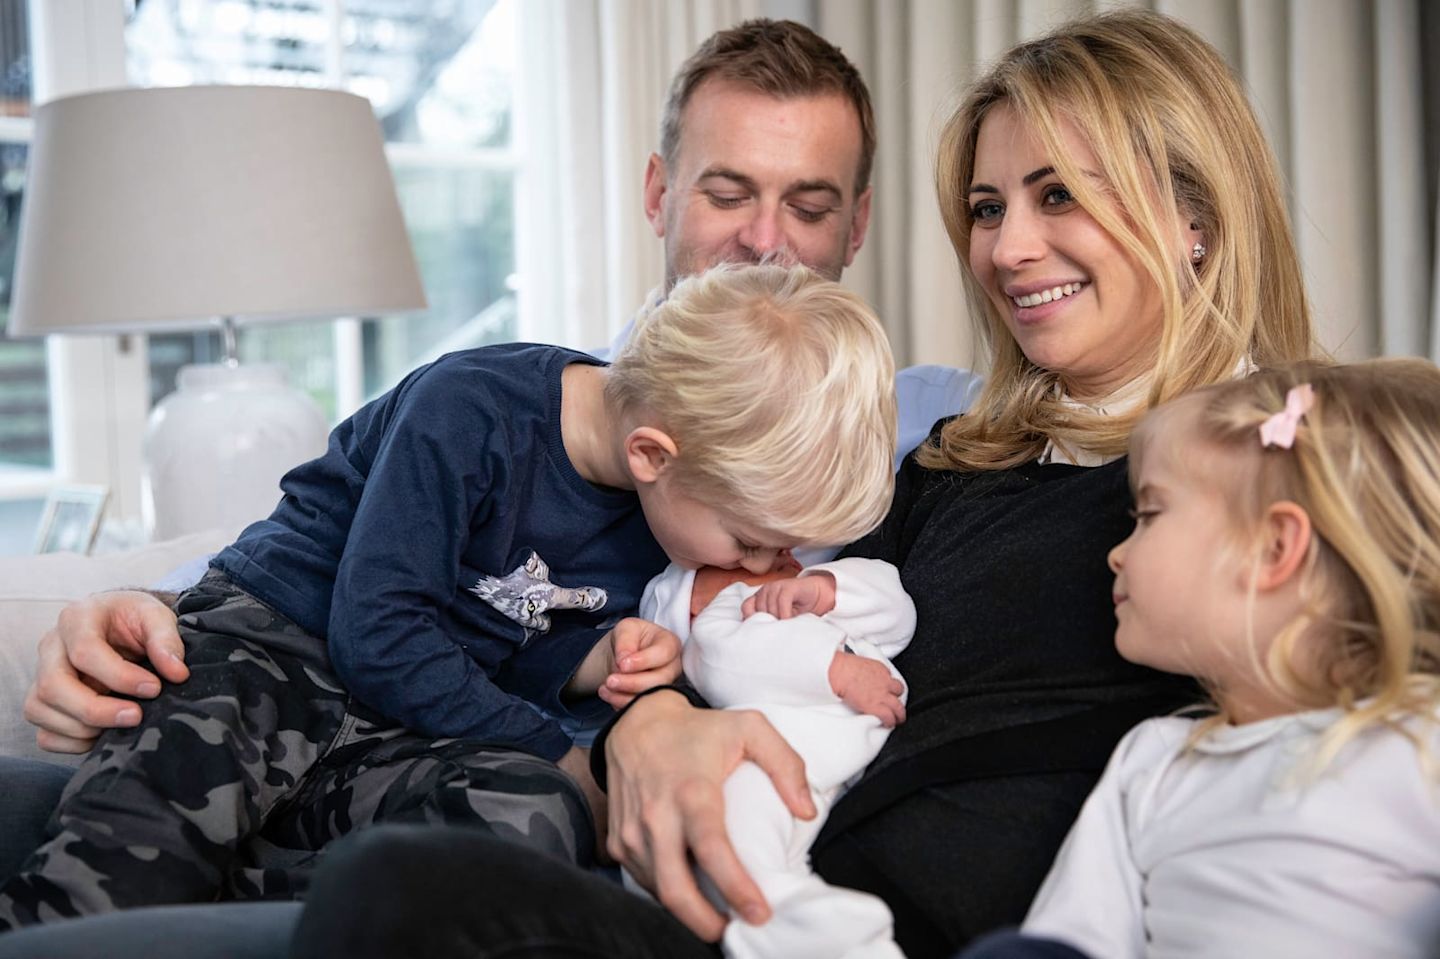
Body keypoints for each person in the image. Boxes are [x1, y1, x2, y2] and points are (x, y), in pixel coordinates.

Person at [280, 10, 1320, 959]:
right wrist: (658, 722)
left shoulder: (1266, 474)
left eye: (1059, 196)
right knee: (385, 889)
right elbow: (748, 620)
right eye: (987, 205)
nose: (1007, 248)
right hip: (741, 887)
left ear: (1195, 215)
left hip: (934, 926)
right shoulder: (947, 458)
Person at [0, 262, 900, 930]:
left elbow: (522, 628)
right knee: (151, 819)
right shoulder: (471, 409)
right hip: (276, 650)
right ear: (652, 454)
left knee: (536, 811)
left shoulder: (667, 510)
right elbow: (379, 628)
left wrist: (597, 661)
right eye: (752, 542)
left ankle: (256, 909)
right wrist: (558, 746)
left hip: (405, 726)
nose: (764, 568)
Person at [963, 358, 1440, 959]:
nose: (1115, 554)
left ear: (1273, 548)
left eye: (1148, 515)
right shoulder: (1154, 766)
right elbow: (1074, 940)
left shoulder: (1418, 740)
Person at [641, 555, 914, 958]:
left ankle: (794, 921)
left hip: (843, 764)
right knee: (736, 846)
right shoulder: (729, 613)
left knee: (758, 852)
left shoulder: (829, 609)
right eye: (731, 567)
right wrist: (834, 670)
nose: (776, 557)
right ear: (692, 613)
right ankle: (800, 924)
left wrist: (825, 588)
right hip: (767, 757)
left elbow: (897, 612)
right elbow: (721, 662)